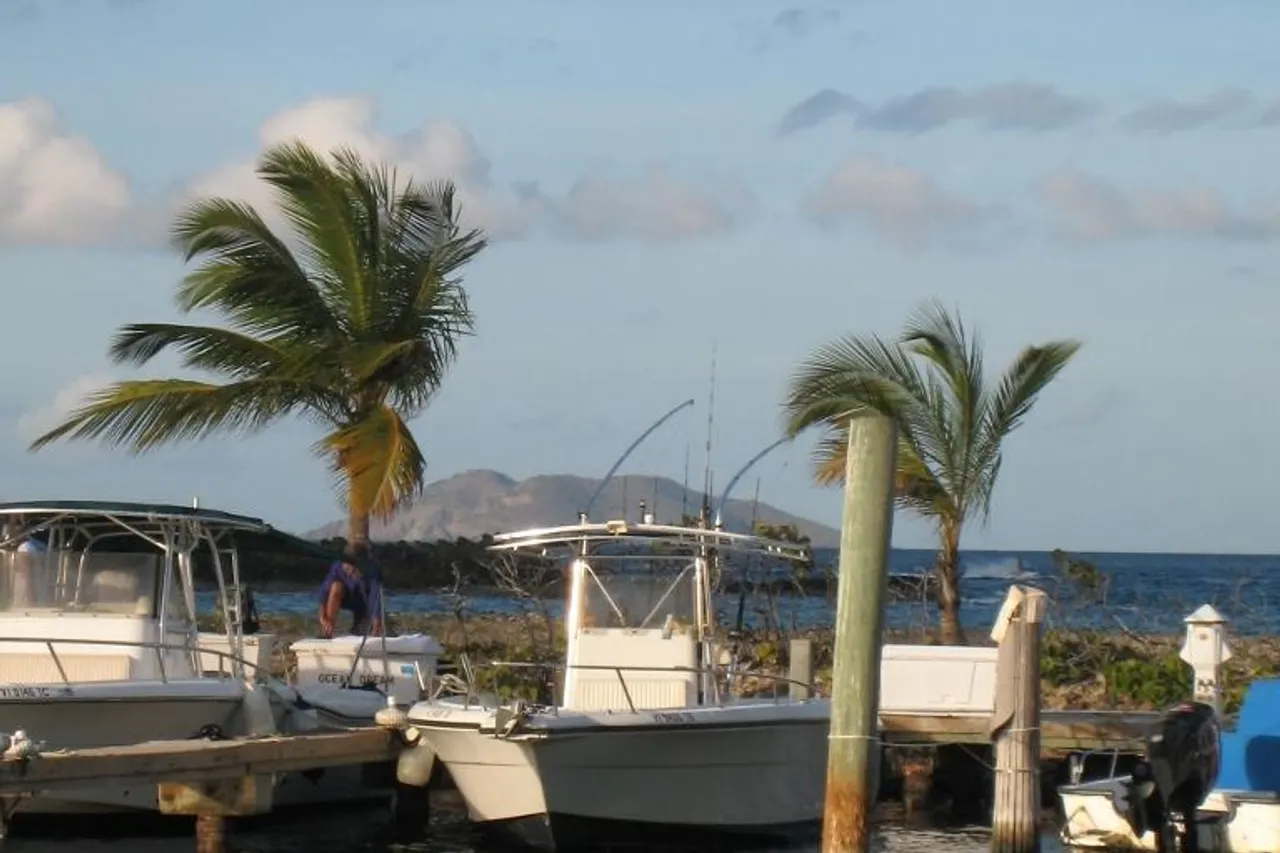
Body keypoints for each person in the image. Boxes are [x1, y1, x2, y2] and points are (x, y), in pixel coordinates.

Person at [318, 542, 384, 639]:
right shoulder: (338, 566)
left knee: (361, 631)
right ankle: (327, 632)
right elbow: (323, 593)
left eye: (353, 567)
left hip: (364, 602)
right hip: (347, 598)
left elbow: (375, 597)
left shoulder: (372, 570)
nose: (349, 571)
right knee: (336, 586)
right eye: (347, 565)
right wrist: (322, 618)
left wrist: (376, 621)